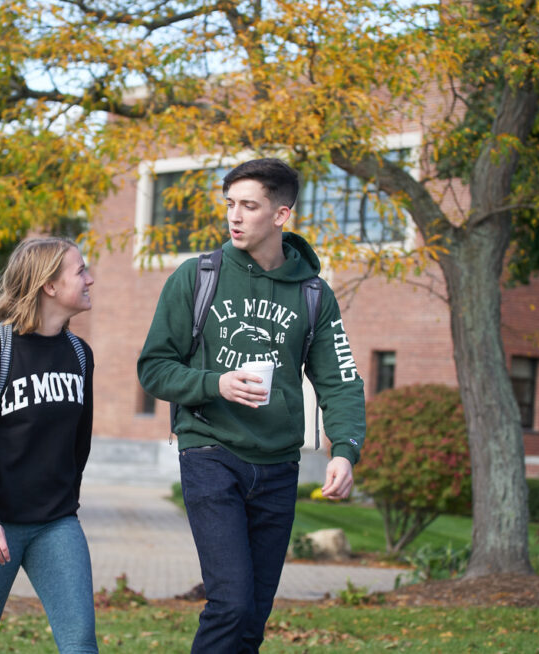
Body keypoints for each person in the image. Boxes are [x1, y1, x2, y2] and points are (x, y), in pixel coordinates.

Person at [137, 158, 366, 653]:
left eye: (248, 206)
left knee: (253, 617)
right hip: (210, 452)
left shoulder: (313, 294)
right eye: (230, 205)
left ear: (281, 214)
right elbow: (153, 368)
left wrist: (345, 449)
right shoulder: (197, 277)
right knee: (231, 604)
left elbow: (341, 380)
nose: (234, 217)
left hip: (279, 464)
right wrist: (215, 384)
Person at [0, 237, 98, 654]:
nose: (90, 279)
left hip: (55, 524)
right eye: (80, 271)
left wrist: (65, 502)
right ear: (49, 285)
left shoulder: (79, 355)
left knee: (81, 643)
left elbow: (79, 444)